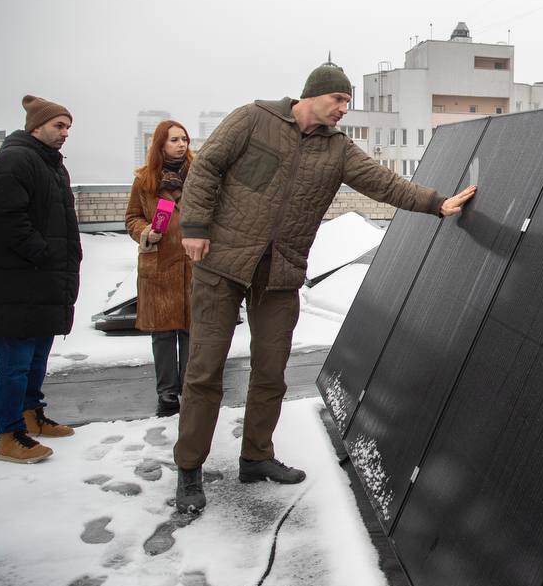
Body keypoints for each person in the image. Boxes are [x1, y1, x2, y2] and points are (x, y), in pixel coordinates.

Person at [173, 60, 477, 513]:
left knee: (271, 370)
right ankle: (189, 471)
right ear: (312, 94)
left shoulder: (338, 149)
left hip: (280, 273)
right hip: (222, 264)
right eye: (338, 99)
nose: (343, 109)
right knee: (204, 370)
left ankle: (256, 456)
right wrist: (194, 226)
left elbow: (383, 182)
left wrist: (436, 203)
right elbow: (206, 169)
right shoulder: (253, 118)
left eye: (348, 102)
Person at [0, 95, 80, 464]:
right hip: (19, 281)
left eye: (68, 128)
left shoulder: (52, 165)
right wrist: (42, 252)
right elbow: (7, 218)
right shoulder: (15, 159)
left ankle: (32, 413)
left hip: (43, 281)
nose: (65, 133)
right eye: (58, 126)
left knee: (37, 356)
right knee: (14, 362)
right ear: (36, 126)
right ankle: (9, 433)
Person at [125, 120, 194, 417]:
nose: (181, 145)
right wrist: (145, 233)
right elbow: (131, 218)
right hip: (160, 265)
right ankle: (167, 394)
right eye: (174, 140)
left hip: (194, 263)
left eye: (185, 139)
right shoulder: (145, 180)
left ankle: (192, 389)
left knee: (193, 330)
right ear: (160, 145)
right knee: (164, 333)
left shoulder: (200, 175)